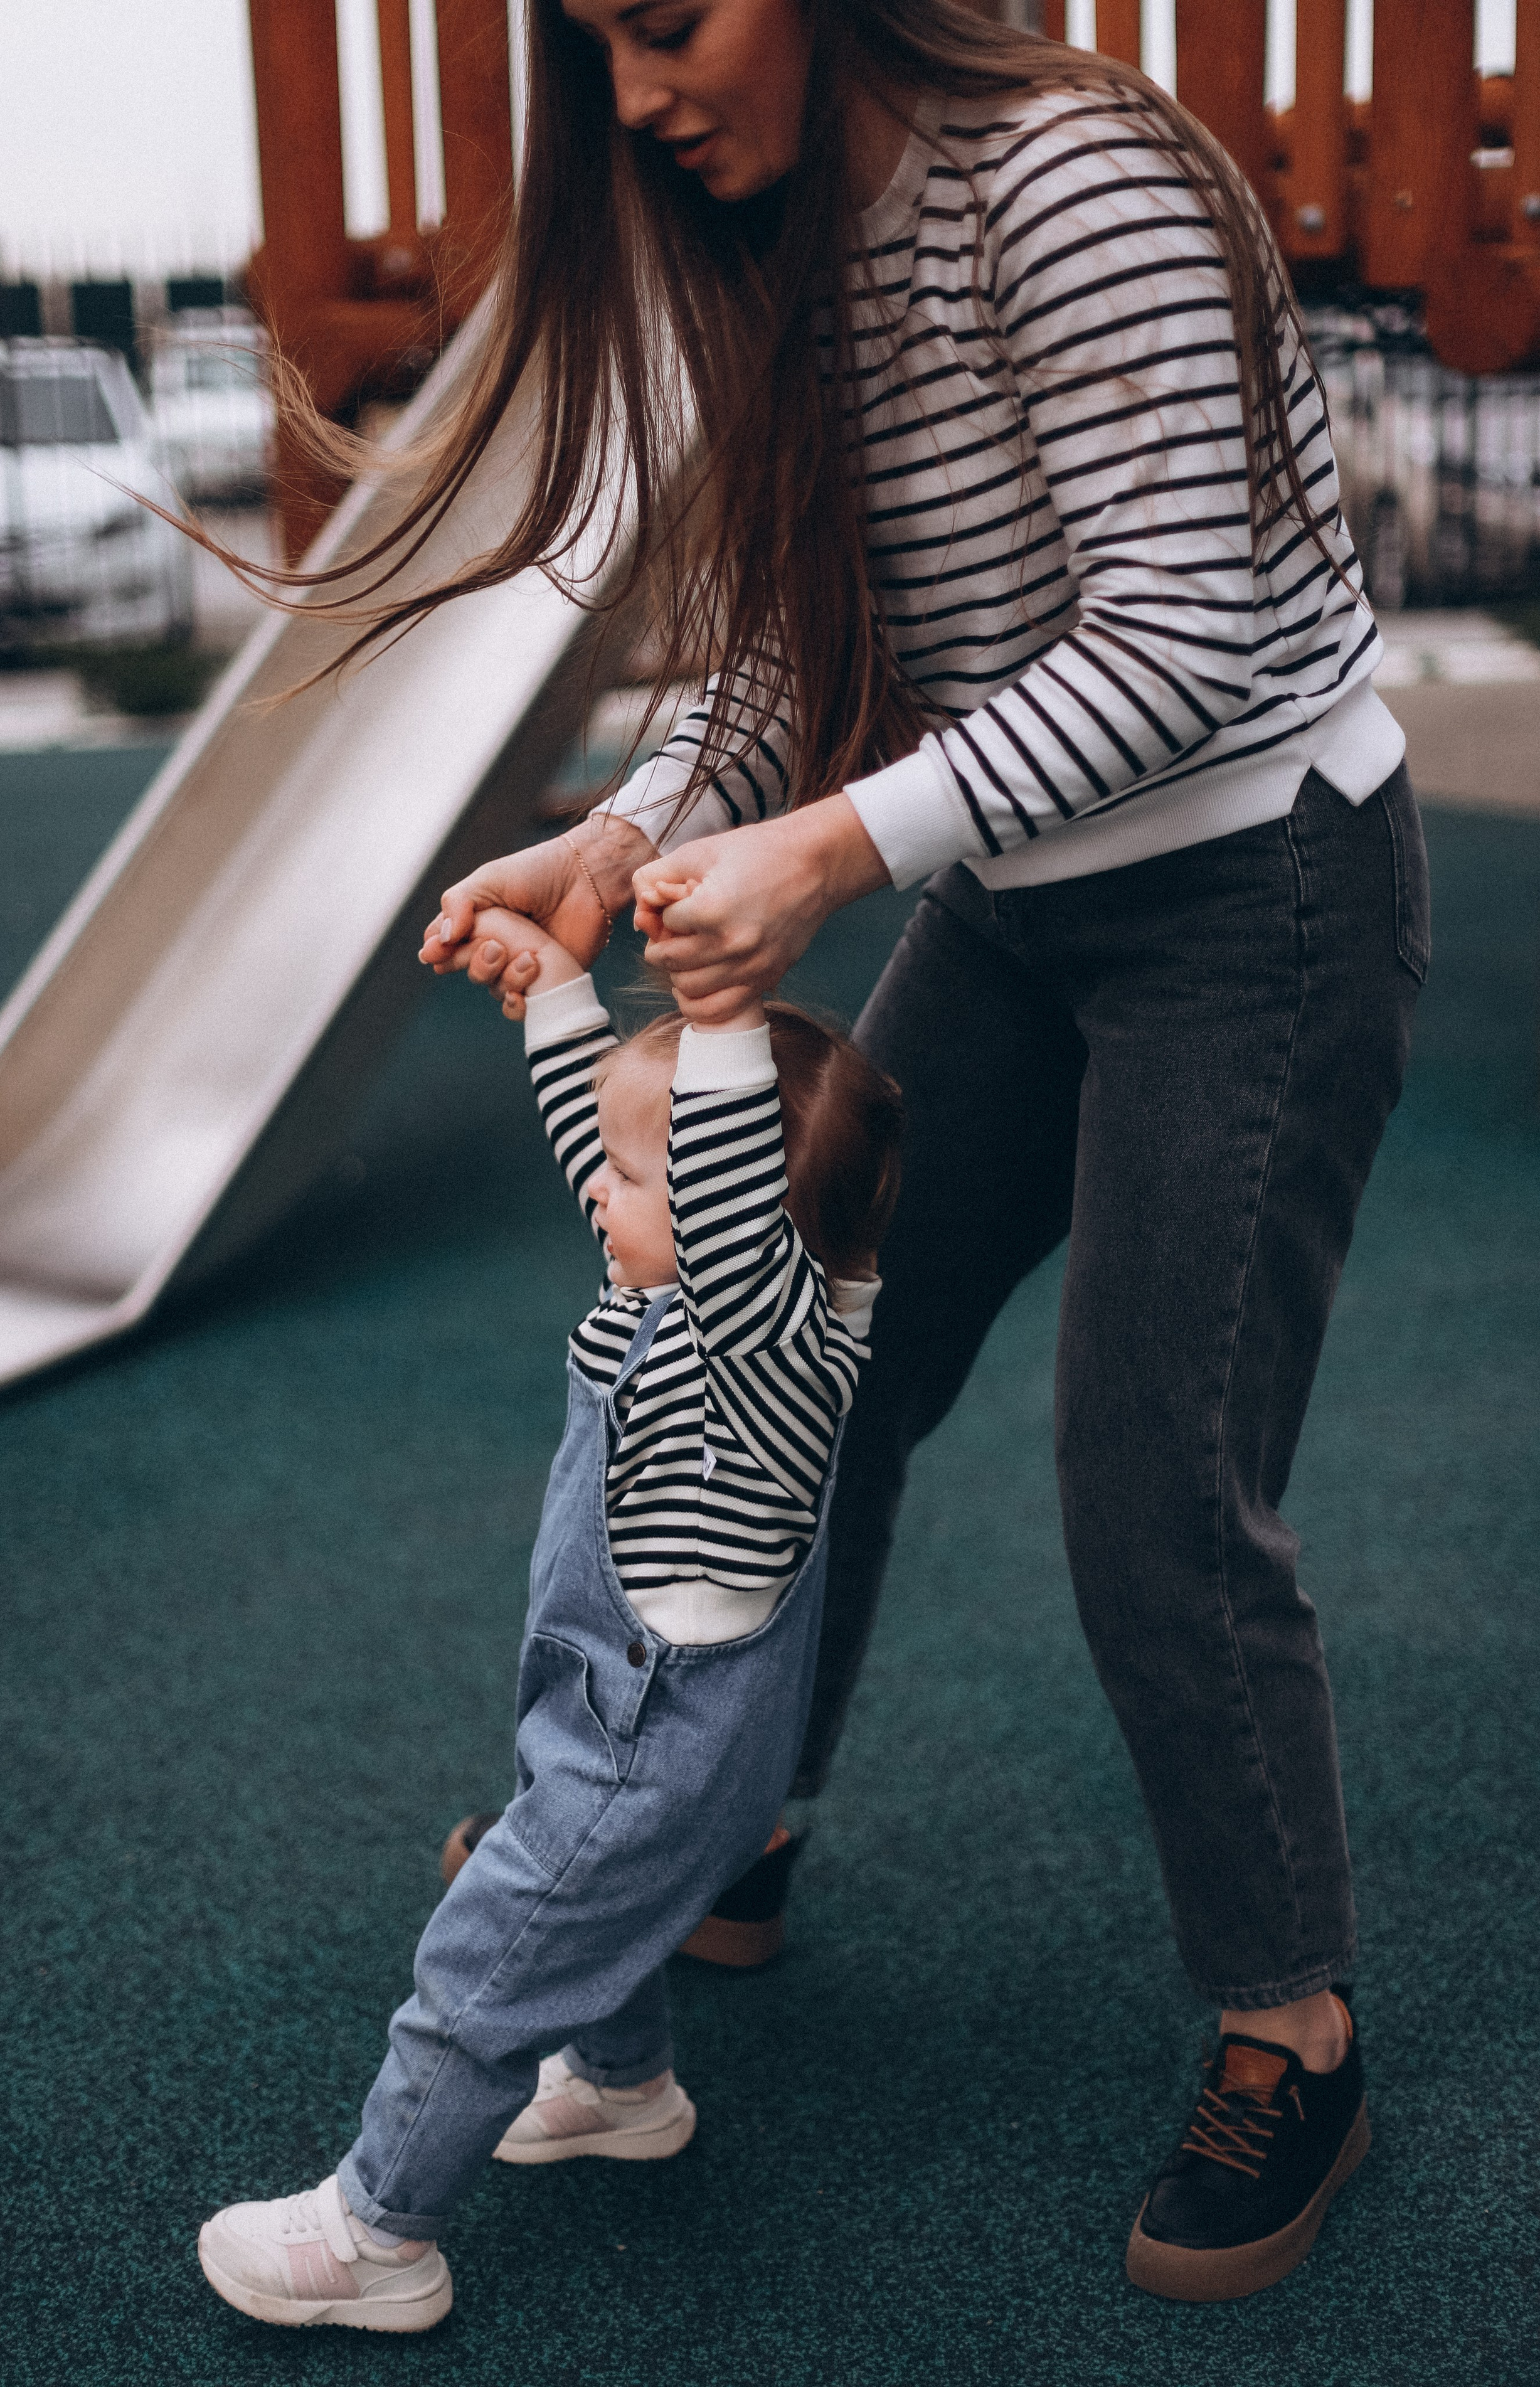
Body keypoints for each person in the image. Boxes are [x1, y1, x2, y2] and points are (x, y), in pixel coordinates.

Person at [236, 0, 1426, 2308]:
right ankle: (729, 1813)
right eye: (597, 43)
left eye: (670, 24)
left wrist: (832, 852)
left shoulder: (1066, 181)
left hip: (1254, 875)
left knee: (1157, 1485)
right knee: (825, 1366)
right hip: (1019, 892)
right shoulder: (774, 244)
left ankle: (1302, 2023)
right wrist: (624, 835)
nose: (639, 89)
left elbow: (1182, 629)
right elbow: (791, 632)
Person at [196, 901, 901, 2331]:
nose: (601, 1194)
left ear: (728, 1210)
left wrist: (717, 1021)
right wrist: (564, 989)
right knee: (595, 1916)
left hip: (660, 1738)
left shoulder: (766, 1348)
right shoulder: (673, 1278)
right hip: (604, 1697)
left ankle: (377, 2233)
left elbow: (688, 1168)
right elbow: (609, 1142)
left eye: (653, 1177)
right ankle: (623, 2088)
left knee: (487, 1959)